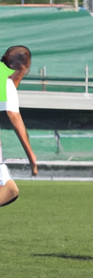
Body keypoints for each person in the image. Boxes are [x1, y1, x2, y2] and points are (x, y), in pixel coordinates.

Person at [0, 45, 38, 206]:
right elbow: (13, 115)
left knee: (10, 189)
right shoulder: (6, 83)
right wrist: (31, 156)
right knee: (10, 190)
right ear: (21, 68)